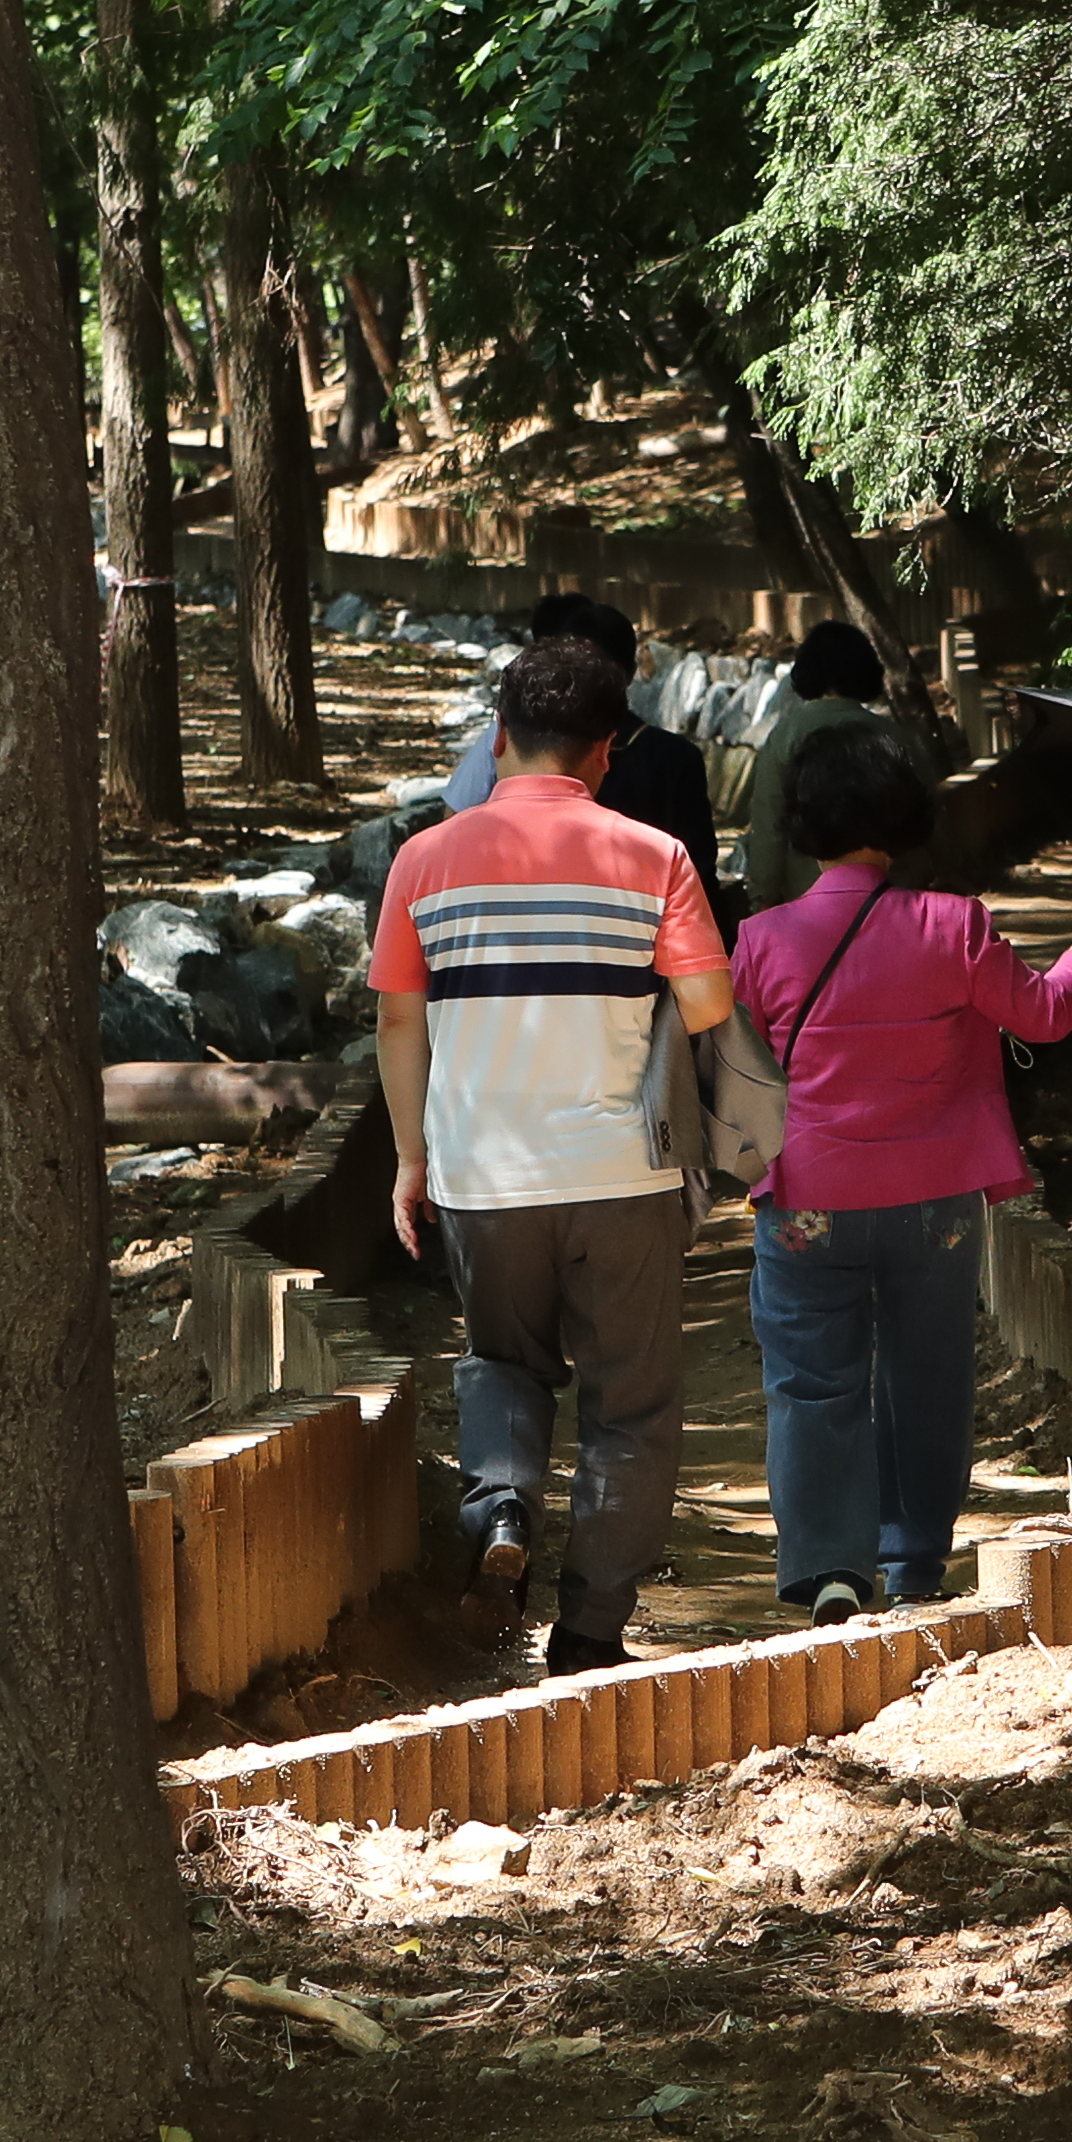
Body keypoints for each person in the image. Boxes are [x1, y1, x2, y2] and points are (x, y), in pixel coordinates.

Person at [374, 633, 737, 1670]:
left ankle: (501, 1516)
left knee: (503, 1362)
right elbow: (708, 1004)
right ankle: (587, 1635)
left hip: (484, 1178)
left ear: (498, 741)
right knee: (630, 1404)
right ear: (605, 752)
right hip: (624, 1174)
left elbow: (400, 1025)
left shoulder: (424, 861)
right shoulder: (651, 857)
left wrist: (413, 1162)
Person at [732, 724, 1072, 1615]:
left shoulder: (761, 941)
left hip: (808, 1197)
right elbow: (1046, 1015)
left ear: (806, 822)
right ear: (902, 814)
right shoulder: (954, 924)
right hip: (935, 1202)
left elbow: (730, 1063)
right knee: (929, 1374)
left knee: (809, 1381)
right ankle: (911, 1568)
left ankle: (831, 1566)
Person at [443, 592, 731, 936]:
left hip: (535, 931)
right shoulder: (676, 757)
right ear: (632, 671)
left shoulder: (528, 740)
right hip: (648, 937)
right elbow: (699, 872)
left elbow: (455, 823)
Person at [735, 618, 896, 913]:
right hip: (890, 897)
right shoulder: (893, 735)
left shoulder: (786, 735)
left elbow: (769, 820)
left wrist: (764, 893)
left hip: (807, 901)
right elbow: (928, 814)